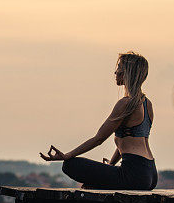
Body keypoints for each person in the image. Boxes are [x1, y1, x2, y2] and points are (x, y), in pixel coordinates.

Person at [39, 50, 158, 190]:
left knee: (70, 165)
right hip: (150, 173)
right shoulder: (147, 104)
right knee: (93, 181)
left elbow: (99, 139)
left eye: (118, 69)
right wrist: (111, 165)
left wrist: (67, 155)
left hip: (133, 175)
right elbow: (127, 142)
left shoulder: (125, 103)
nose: (115, 73)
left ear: (127, 73)